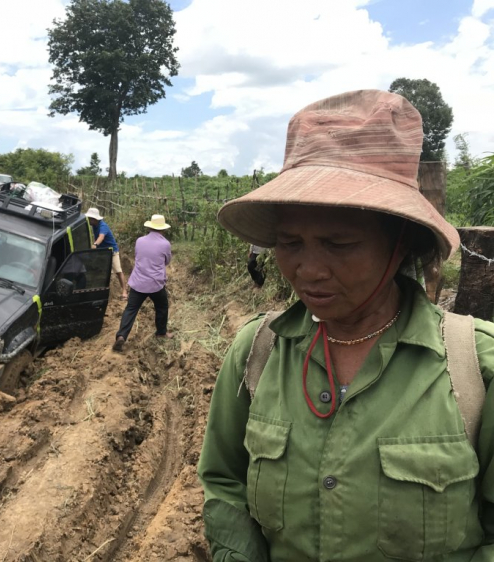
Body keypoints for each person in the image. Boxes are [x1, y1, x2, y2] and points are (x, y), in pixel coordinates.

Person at [198, 90, 494, 561]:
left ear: (399, 243)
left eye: (339, 243)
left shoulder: (475, 370)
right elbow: (225, 484)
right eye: (290, 242)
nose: (308, 270)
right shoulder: (258, 352)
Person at [113, 214, 172, 352]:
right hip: (155, 284)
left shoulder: (139, 241)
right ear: (162, 229)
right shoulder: (165, 244)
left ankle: (121, 336)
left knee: (131, 309)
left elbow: (138, 256)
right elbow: (167, 261)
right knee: (162, 306)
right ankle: (161, 333)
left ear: (150, 227)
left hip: (138, 282)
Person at [85, 207, 128, 299]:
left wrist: (95, 244)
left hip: (112, 251)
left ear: (94, 219)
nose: (88, 220)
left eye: (89, 218)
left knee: (118, 271)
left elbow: (101, 237)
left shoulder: (103, 226)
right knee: (101, 271)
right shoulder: (94, 226)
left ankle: (124, 291)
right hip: (102, 252)